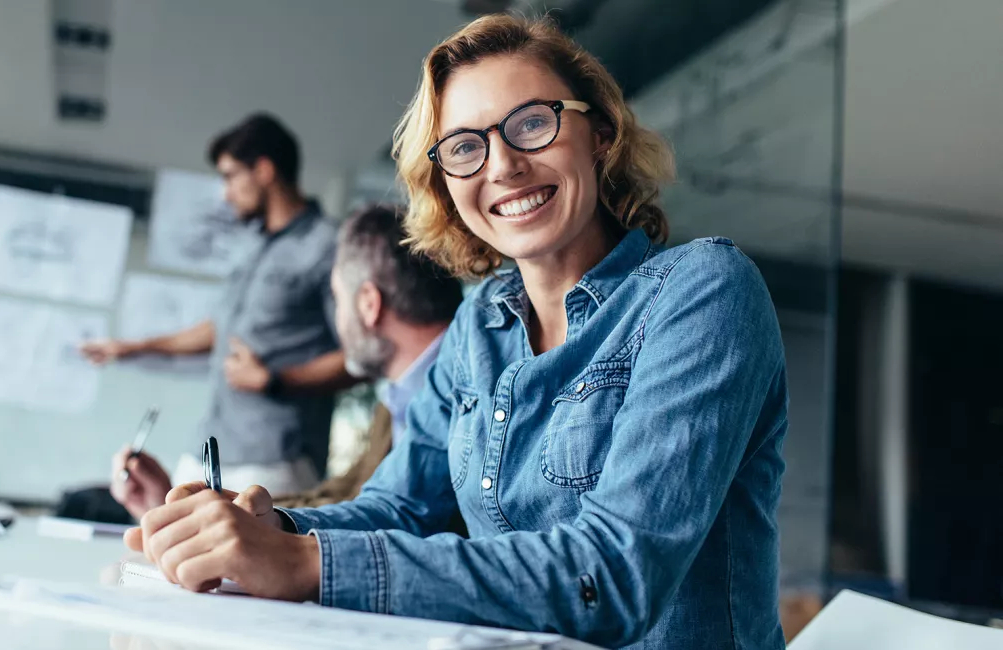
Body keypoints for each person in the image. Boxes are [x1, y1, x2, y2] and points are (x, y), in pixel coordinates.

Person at [125, 15, 789, 650]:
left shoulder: (703, 290)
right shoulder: (481, 322)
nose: (502, 166)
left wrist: (306, 562)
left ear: (601, 136)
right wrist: (266, 528)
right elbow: (401, 507)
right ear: (446, 181)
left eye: (533, 123)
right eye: (466, 147)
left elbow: (612, 575)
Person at [110, 205, 464, 518]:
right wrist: (185, 512)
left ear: (369, 305)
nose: (336, 326)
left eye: (338, 301)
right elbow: (345, 500)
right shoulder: (396, 405)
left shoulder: (465, 399)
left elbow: (383, 525)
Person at [81, 114, 357, 494]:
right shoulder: (251, 245)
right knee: (165, 546)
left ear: (263, 170)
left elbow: (362, 357)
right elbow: (222, 327)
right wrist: (133, 347)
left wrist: (275, 382)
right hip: (207, 449)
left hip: (274, 461)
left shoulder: (329, 246)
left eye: (230, 176)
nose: (226, 193)